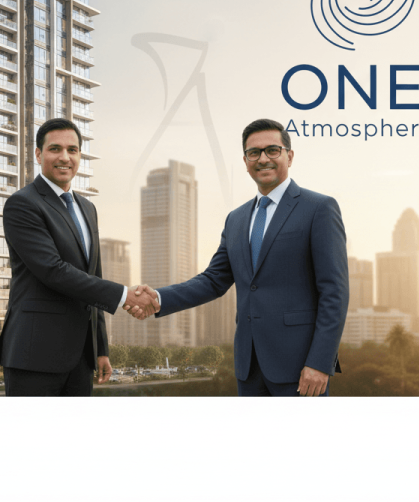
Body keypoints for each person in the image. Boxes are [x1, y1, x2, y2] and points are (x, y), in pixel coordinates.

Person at [127, 118, 349, 396]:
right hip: (249, 365)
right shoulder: (236, 219)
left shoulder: (319, 208)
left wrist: (320, 363)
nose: (263, 158)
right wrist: (158, 299)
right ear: (245, 161)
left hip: (301, 366)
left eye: (272, 150)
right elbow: (213, 281)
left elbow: (335, 292)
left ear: (289, 156)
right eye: (253, 153)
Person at [0, 117, 159, 396]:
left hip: (81, 357)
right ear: (38, 154)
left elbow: (93, 277)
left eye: (72, 150)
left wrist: (100, 348)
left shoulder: (87, 208)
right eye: (55, 149)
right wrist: (124, 295)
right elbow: (53, 270)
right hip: (34, 353)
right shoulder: (22, 204)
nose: (64, 157)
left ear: (80, 155)